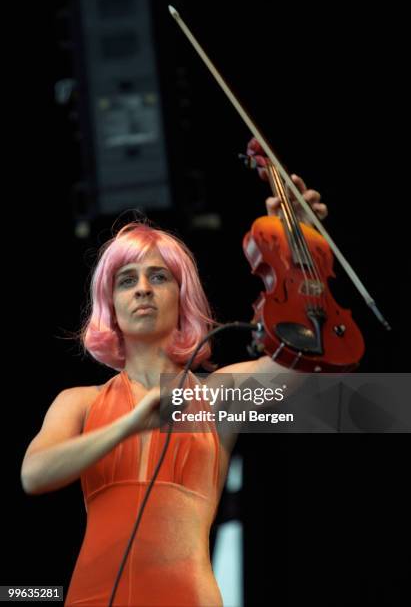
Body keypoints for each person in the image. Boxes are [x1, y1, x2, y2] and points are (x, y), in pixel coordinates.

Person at [20, 140, 327, 606]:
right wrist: (131, 422)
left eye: (159, 277)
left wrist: (301, 249)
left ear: (180, 299)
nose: (143, 288)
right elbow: (34, 474)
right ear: (113, 308)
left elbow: (301, 358)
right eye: (127, 280)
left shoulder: (219, 396)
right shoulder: (77, 402)